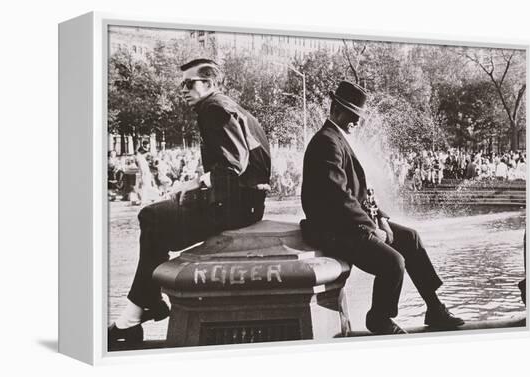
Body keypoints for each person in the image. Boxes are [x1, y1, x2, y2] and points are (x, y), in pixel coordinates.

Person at [108, 59, 272, 345]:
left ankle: (140, 310)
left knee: (151, 217)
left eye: (189, 83)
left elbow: (233, 164)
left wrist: (194, 183)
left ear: (208, 84)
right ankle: (140, 309)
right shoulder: (230, 106)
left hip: (234, 206)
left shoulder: (213, 108)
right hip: (247, 202)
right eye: (181, 83)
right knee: (157, 220)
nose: (182, 89)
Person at [300, 81, 464, 335]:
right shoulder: (327, 142)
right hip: (335, 230)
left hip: (348, 224)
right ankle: (379, 317)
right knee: (393, 262)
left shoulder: (336, 139)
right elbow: (337, 197)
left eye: (359, 117)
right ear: (336, 110)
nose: (357, 121)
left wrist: (382, 219)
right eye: (353, 115)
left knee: (410, 238)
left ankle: (434, 307)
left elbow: (360, 193)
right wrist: (370, 228)